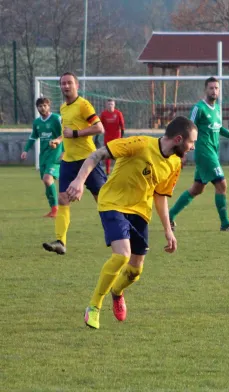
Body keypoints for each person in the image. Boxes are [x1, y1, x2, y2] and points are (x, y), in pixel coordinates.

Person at [65, 116, 198, 329]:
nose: (193, 147)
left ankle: (117, 292)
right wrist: (79, 181)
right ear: (179, 139)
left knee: (136, 270)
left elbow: (160, 195)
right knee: (121, 255)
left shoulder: (175, 162)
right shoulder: (140, 144)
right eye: (192, 142)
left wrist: (168, 230)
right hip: (112, 203)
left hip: (140, 212)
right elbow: (97, 154)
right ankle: (94, 307)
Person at [168, 76, 229, 232]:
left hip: (212, 153)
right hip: (204, 152)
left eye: (216, 88)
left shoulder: (217, 108)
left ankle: (169, 216)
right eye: (211, 88)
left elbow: (218, 127)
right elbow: (188, 128)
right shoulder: (199, 108)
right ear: (205, 90)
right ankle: (225, 224)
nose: (214, 91)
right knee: (222, 185)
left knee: (197, 189)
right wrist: (184, 150)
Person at [42, 72, 106, 255]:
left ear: (76, 86)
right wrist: (59, 139)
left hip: (88, 159)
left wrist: (76, 134)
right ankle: (60, 241)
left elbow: (99, 128)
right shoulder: (63, 108)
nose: (66, 86)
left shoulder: (84, 105)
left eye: (69, 83)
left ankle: (122, 233)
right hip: (68, 161)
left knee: (102, 199)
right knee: (62, 198)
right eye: (63, 83)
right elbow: (68, 131)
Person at [21, 97, 63, 218]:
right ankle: (53, 208)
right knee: (46, 183)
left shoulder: (56, 119)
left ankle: (56, 209)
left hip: (55, 154)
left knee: (47, 179)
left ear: (49, 106)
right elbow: (33, 137)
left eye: (45, 105)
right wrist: (25, 150)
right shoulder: (37, 122)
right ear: (37, 108)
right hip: (43, 155)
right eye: (40, 106)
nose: (42, 108)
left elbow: (64, 134)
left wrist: (64, 151)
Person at [99, 99, 126, 175]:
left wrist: (122, 137)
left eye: (112, 104)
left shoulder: (118, 113)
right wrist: (97, 136)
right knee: (107, 154)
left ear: (114, 105)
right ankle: (107, 171)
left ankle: (118, 170)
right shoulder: (103, 114)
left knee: (118, 154)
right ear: (106, 105)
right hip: (107, 137)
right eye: (109, 104)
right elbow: (100, 125)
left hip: (117, 137)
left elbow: (122, 126)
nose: (110, 106)